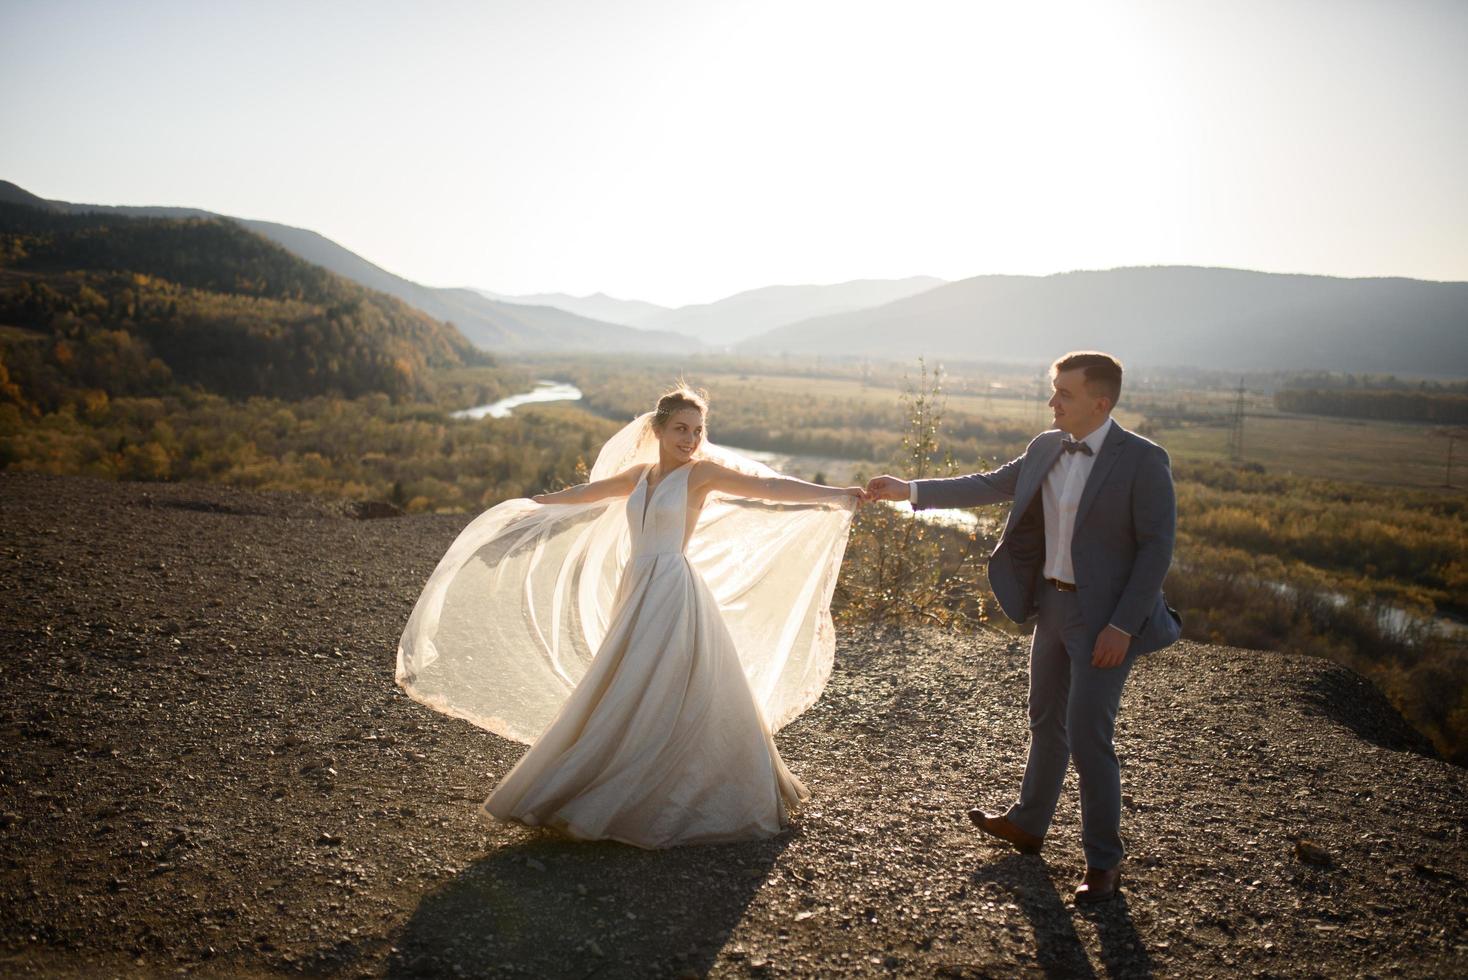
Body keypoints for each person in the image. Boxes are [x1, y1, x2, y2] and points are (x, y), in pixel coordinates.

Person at [397, 386, 863, 848]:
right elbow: (584, 493)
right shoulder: (640, 475)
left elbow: (769, 487)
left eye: (697, 431)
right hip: (636, 584)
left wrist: (836, 493)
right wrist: (527, 509)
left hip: (672, 587)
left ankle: (673, 788)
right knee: (628, 680)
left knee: (661, 680)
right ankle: (616, 774)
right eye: (680, 429)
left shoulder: (700, 475)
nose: (689, 439)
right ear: (657, 429)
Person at [864, 351, 1180, 903]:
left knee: (1088, 736)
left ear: (1100, 403)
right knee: (1044, 720)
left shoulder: (1144, 461)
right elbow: (987, 485)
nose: (1052, 401)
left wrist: (1124, 627)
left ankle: (1104, 862)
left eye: (1064, 394)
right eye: (1053, 390)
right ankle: (1030, 824)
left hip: (1106, 619)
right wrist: (909, 490)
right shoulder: (1044, 446)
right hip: (1052, 606)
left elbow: (1157, 550)